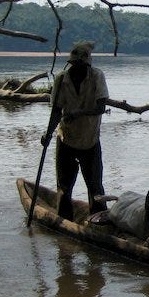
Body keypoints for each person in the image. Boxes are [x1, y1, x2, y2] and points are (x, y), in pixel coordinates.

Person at [41, 41, 109, 221]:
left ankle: (99, 223)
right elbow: (56, 111)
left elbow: (101, 107)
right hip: (66, 139)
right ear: (71, 64)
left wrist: (78, 113)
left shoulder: (96, 76)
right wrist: (48, 134)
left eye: (81, 66)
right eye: (75, 66)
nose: (78, 70)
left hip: (90, 140)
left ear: (87, 65)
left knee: (95, 188)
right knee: (64, 188)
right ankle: (64, 224)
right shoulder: (61, 79)